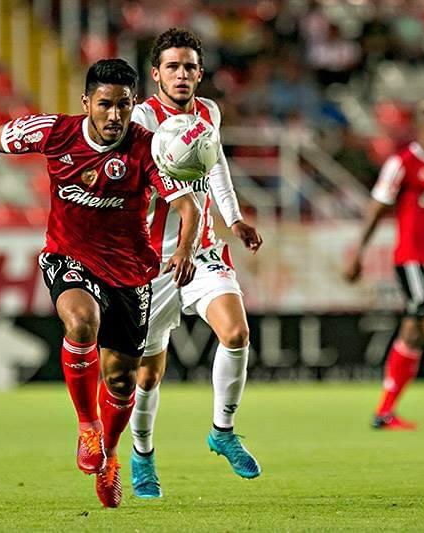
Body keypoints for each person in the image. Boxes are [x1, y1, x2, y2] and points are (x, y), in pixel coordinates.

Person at [0, 58, 202, 508]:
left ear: (133, 103)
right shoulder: (55, 132)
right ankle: (87, 426)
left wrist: (183, 249)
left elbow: (188, 207)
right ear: (86, 103)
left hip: (131, 273)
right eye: (104, 105)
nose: (114, 116)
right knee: (81, 322)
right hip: (68, 256)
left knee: (121, 381)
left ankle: (112, 456)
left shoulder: (149, 147)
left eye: (123, 105)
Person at [128, 28, 264, 499]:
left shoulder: (209, 112)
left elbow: (217, 165)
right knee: (148, 373)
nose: (181, 75)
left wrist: (236, 218)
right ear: (156, 73)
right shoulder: (141, 118)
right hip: (156, 261)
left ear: (199, 73)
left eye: (189, 67)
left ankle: (222, 431)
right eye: (172, 66)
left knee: (237, 333)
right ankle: (142, 456)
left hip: (204, 250)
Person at [344, 98, 424, 430]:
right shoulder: (402, 163)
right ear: (422, 128)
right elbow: (377, 208)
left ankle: (384, 412)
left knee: (412, 333)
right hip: (411, 261)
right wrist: (358, 253)